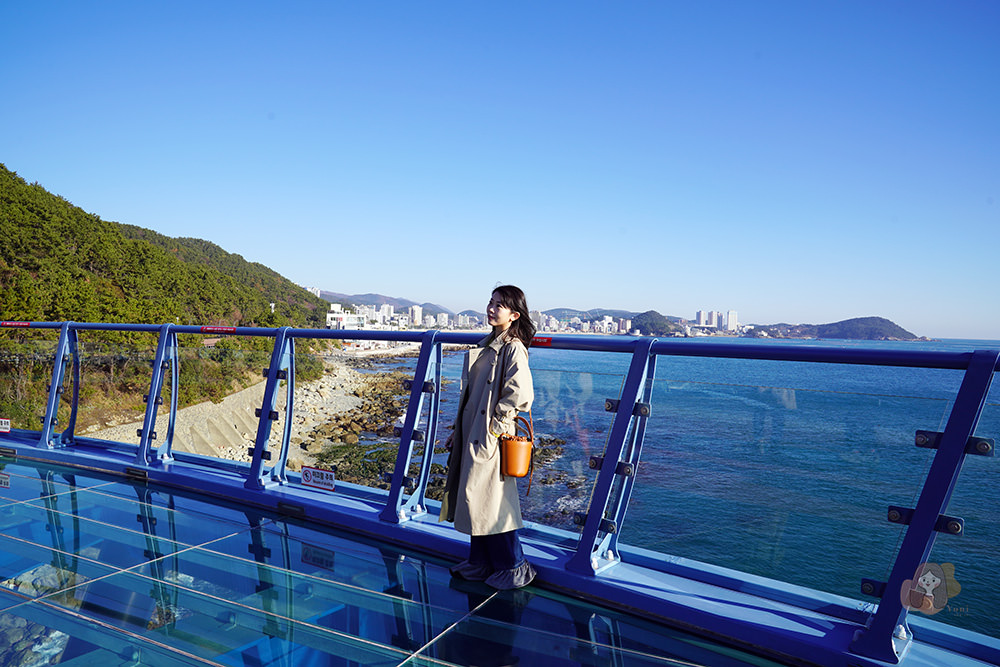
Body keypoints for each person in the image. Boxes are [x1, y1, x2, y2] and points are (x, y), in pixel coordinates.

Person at [441, 284, 537, 589]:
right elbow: (473, 394)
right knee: (476, 498)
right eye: (491, 302)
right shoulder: (490, 342)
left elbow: (520, 393)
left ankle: (513, 566)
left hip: (491, 434)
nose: (491, 308)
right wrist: (459, 430)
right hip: (475, 430)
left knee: (495, 499)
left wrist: (495, 428)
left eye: (499, 305)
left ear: (514, 314)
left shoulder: (512, 347)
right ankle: (481, 562)